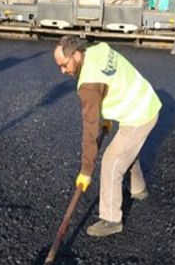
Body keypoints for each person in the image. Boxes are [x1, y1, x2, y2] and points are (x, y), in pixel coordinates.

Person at [52, 36, 162, 238]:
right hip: (144, 100)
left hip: (139, 114)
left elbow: (90, 129)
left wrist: (86, 170)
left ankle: (111, 219)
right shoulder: (96, 48)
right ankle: (138, 189)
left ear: (76, 54)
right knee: (127, 149)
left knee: (112, 161)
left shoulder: (89, 85)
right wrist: (108, 116)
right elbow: (111, 81)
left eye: (64, 65)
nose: (63, 71)